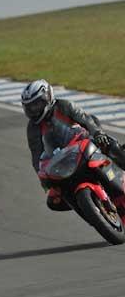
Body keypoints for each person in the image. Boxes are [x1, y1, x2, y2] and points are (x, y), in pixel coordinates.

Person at [22, 79, 125, 211]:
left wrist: (98, 134)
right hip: (64, 161)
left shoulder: (63, 106)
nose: (33, 110)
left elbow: (86, 120)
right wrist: (42, 178)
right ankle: (93, 211)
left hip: (86, 143)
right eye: (29, 107)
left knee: (111, 146)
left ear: (47, 97)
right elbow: (36, 155)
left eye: (36, 105)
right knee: (54, 201)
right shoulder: (33, 128)